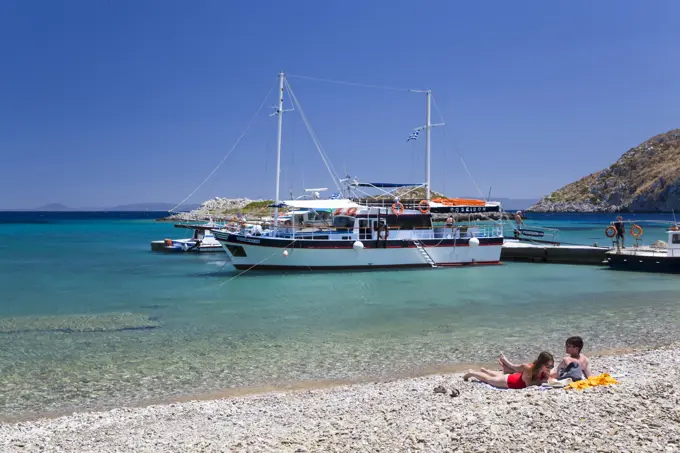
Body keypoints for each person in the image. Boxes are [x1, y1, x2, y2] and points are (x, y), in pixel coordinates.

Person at [463, 351, 554, 389]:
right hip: (509, 382)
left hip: (517, 377)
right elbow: (529, 384)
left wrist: (543, 379)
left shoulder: (546, 370)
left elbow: (544, 381)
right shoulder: (528, 368)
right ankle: (472, 373)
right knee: (488, 380)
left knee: (498, 375)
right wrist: (540, 381)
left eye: (551, 366)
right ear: (541, 363)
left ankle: (485, 371)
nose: (549, 368)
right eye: (548, 366)